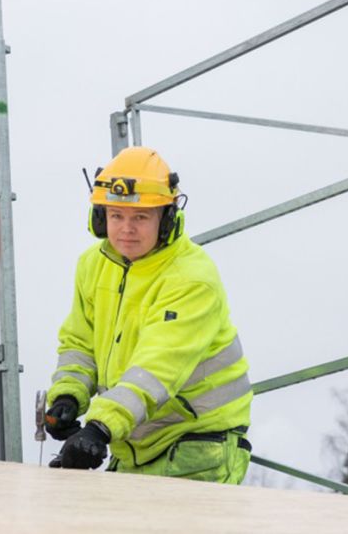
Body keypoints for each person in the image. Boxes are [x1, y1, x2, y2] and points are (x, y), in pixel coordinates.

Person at [46, 146, 252, 482]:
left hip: (198, 448)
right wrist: (68, 395)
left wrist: (99, 427)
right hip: (131, 440)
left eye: (140, 217)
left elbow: (159, 367)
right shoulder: (92, 265)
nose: (126, 229)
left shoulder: (192, 278)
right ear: (100, 218)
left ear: (167, 217)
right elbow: (79, 343)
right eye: (116, 216)